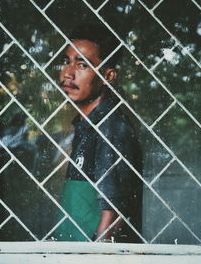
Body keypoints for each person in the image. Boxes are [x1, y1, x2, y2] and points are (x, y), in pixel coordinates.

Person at [54, 24, 143, 243]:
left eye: (82, 64)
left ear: (108, 76)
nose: (68, 73)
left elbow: (113, 216)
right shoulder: (86, 125)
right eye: (66, 61)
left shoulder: (110, 127)